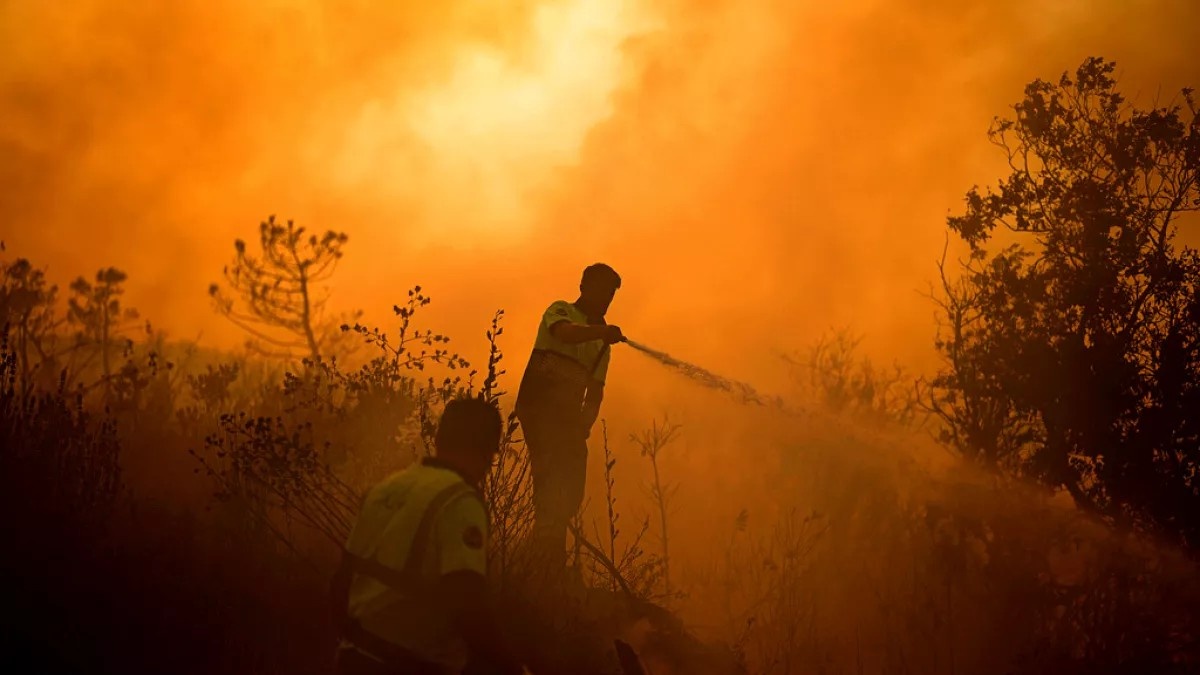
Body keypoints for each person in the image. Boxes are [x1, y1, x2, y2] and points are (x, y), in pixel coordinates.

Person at [331, 396, 525, 675]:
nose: (487, 469)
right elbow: (468, 605)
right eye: (492, 456)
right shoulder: (459, 500)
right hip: (408, 664)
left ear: (440, 438)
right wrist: (513, 669)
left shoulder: (387, 488)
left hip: (353, 657)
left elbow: (340, 582)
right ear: (484, 451)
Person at [514, 263, 625, 570]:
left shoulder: (603, 343)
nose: (605, 300)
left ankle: (546, 546)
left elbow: (596, 392)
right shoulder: (560, 311)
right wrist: (602, 331)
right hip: (537, 408)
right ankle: (545, 554)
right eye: (601, 291)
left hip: (566, 421)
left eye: (611, 295)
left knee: (571, 482)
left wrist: (584, 427)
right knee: (549, 476)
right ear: (583, 287)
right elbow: (565, 334)